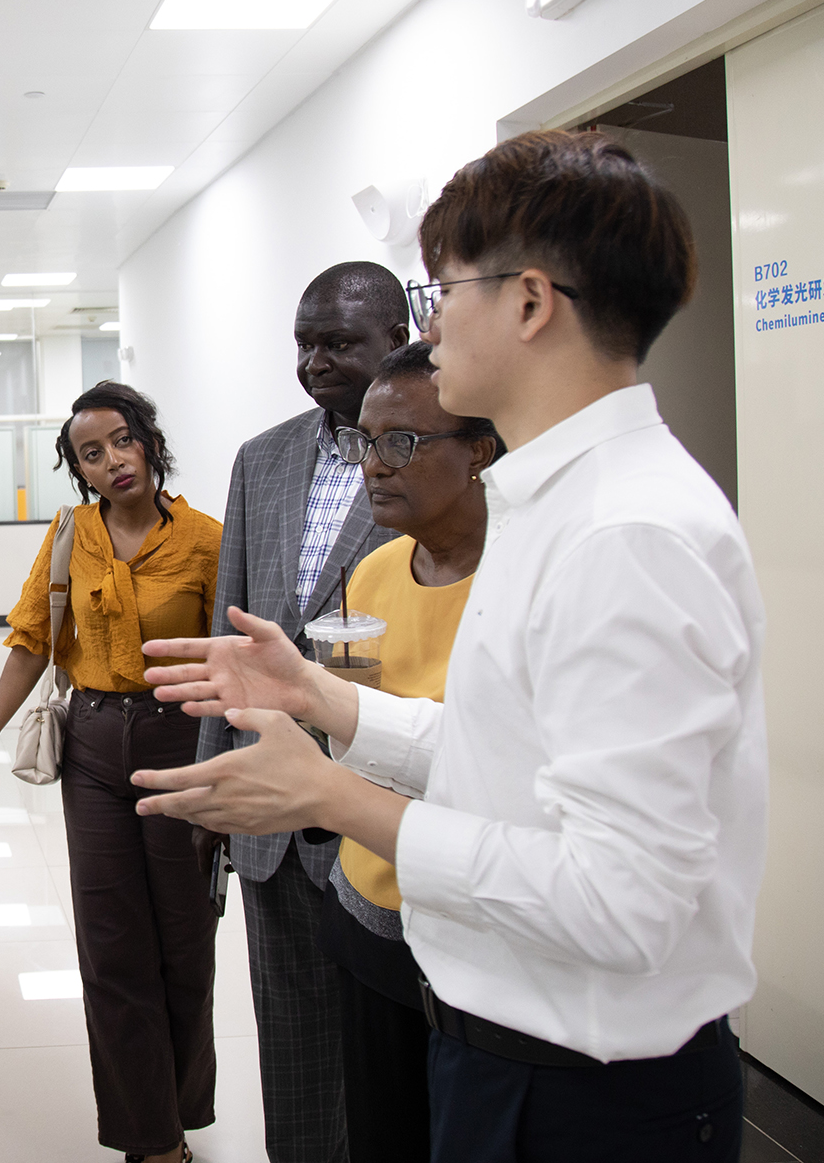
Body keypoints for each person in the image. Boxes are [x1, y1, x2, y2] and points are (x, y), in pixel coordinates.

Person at [136, 130, 764, 1161]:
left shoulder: (625, 534)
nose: (427, 327)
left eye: (441, 293)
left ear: (530, 303)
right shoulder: (548, 503)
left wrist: (333, 797)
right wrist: (327, 701)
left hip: (586, 1093)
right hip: (499, 1051)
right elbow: (504, 757)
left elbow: (619, 902)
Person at [0, 382, 223, 1163]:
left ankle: (182, 1103)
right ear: (79, 470)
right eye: (91, 453)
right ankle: (153, 1139)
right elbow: (32, 640)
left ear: (149, 441)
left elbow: (235, 658)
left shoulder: (208, 541)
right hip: (93, 746)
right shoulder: (69, 535)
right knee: (112, 947)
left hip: (181, 746)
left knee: (185, 942)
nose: (112, 460)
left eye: (122, 439)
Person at [201, 260, 408, 1163]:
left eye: (338, 343)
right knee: (290, 1045)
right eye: (304, 343)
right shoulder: (264, 458)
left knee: (384, 1059)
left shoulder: (438, 452)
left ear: (396, 340)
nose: (315, 361)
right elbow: (230, 631)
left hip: (382, 807)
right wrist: (214, 788)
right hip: (269, 815)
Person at [315, 342, 500, 1163]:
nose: (374, 465)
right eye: (365, 441)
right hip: (370, 908)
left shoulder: (523, 580)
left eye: (402, 442)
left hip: (472, 918)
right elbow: (354, 733)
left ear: (479, 451)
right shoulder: (376, 571)